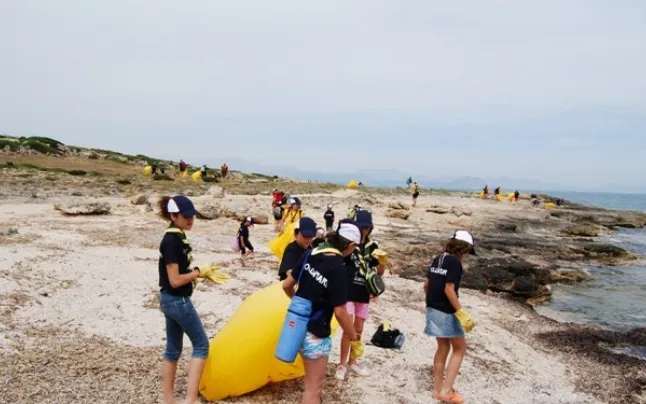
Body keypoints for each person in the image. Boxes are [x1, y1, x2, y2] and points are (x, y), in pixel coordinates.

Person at [282, 222, 364, 404]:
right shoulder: (338, 268)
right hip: (316, 334)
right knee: (313, 390)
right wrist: (354, 338)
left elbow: (287, 285)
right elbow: (341, 312)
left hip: (295, 327)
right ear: (350, 245)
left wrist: (300, 305)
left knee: (309, 384)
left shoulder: (310, 253)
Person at [157, 195, 211, 404]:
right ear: (173, 215)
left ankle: (169, 400)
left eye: (192, 216)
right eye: (186, 217)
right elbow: (175, 279)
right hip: (177, 301)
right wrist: (197, 273)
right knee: (201, 345)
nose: (190, 220)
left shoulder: (176, 237)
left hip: (169, 300)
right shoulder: (171, 242)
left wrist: (195, 275)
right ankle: (190, 399)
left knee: (173, 349)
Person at [424, 230, 477, 404]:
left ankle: (437, 390)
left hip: (432, 308)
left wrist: (431, 303)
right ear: (463, 248)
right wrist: (461, 312)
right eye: (468, 251)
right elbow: (449, 288)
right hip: (446, 310)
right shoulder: (454, 262)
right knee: (460, 348)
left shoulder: (438, 258)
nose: (467, 256)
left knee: (442, 348)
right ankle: (446, 391)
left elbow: (426, 284)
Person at [335, 211, 385, 380]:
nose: (364, 230)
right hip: (348, 290)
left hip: (364, 292)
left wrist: (382, 262)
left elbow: (379, 272)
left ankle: (353, 361)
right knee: (347, 329)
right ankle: (342, 364)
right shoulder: (349, 242)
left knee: (359, 329)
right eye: (362, 226)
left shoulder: (373, 247)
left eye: (367, 227)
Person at [278, 217, 317, 281]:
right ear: (296, 234)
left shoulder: (311, 249)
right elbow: (290, 274)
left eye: (310, 236)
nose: (308, 239)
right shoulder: (291, 250)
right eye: (305, 236)